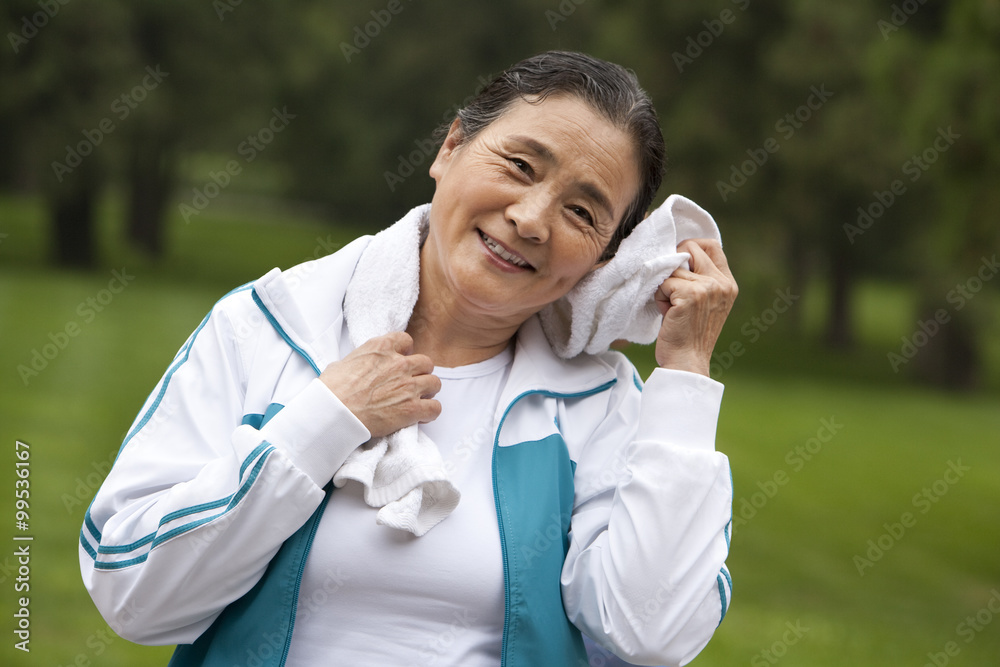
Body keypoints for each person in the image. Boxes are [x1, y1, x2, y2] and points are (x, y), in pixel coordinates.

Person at [80, 51, 738, 667]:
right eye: (520, 166)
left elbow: (652, 631)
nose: (533, 218)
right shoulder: (270, 327)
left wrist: (683, 378)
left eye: (582, 210)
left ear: (603, 259)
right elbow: (132, 591)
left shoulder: (599, 405)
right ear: (450, 147)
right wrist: (321, 423)